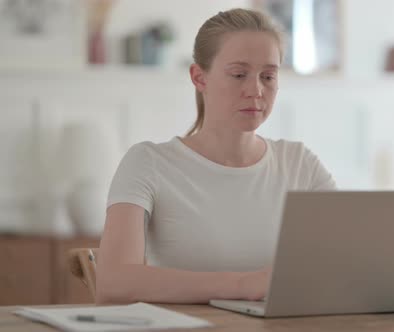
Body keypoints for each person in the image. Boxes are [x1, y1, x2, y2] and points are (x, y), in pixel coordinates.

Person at [95, 8, 336, 304]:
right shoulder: (148, 163)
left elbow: (348, 260)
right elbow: (113, 282)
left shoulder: (300, 163)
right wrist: (242, 285)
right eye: (238, 74)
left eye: (268, 76)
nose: (256, 90)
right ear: (199, 77)